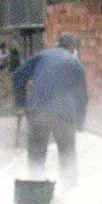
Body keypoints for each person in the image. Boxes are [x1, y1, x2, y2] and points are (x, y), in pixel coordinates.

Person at [12, 33, 88, 189]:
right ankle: (69, 190)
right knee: (67, 153)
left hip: (37, 111)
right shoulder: (75, 63)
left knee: (36, 153)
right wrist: (79, 123)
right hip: (63, 114)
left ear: (57, 44)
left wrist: (20, 103)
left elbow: (18, 74)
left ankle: (34, 189)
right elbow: (81, 97)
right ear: (73, 48)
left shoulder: (42, 55)